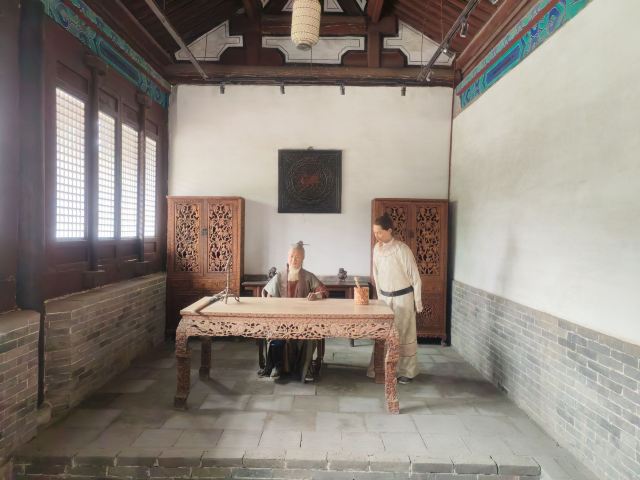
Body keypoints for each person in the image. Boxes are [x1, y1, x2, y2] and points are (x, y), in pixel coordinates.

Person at [260, 241, 329, 382]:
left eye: (297, 257)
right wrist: (270, 302)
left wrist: (316, 296)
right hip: (282, 320)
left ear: (303, 258)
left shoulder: (308, 276)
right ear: (287, 257)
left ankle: (305, 369)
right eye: (291, 256)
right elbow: (267, 294)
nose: (294, 260)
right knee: (276, 335)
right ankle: (277, 367)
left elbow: (324, 291)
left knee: (309, 337)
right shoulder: (279, 276)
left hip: (304, 320)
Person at [368, 213, 423, 384]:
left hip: (403, 299)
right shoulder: (377, 249)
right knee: (384, 334)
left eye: (379, 232)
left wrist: (417, 302)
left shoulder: (402, 249)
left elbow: (415, 278)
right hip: (386, 300)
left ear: (389, 230)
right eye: (375, 232)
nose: (377, 235)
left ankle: (406, 372)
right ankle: (380, 369)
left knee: (403, 335)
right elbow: (376, 275)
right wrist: (379, 299)